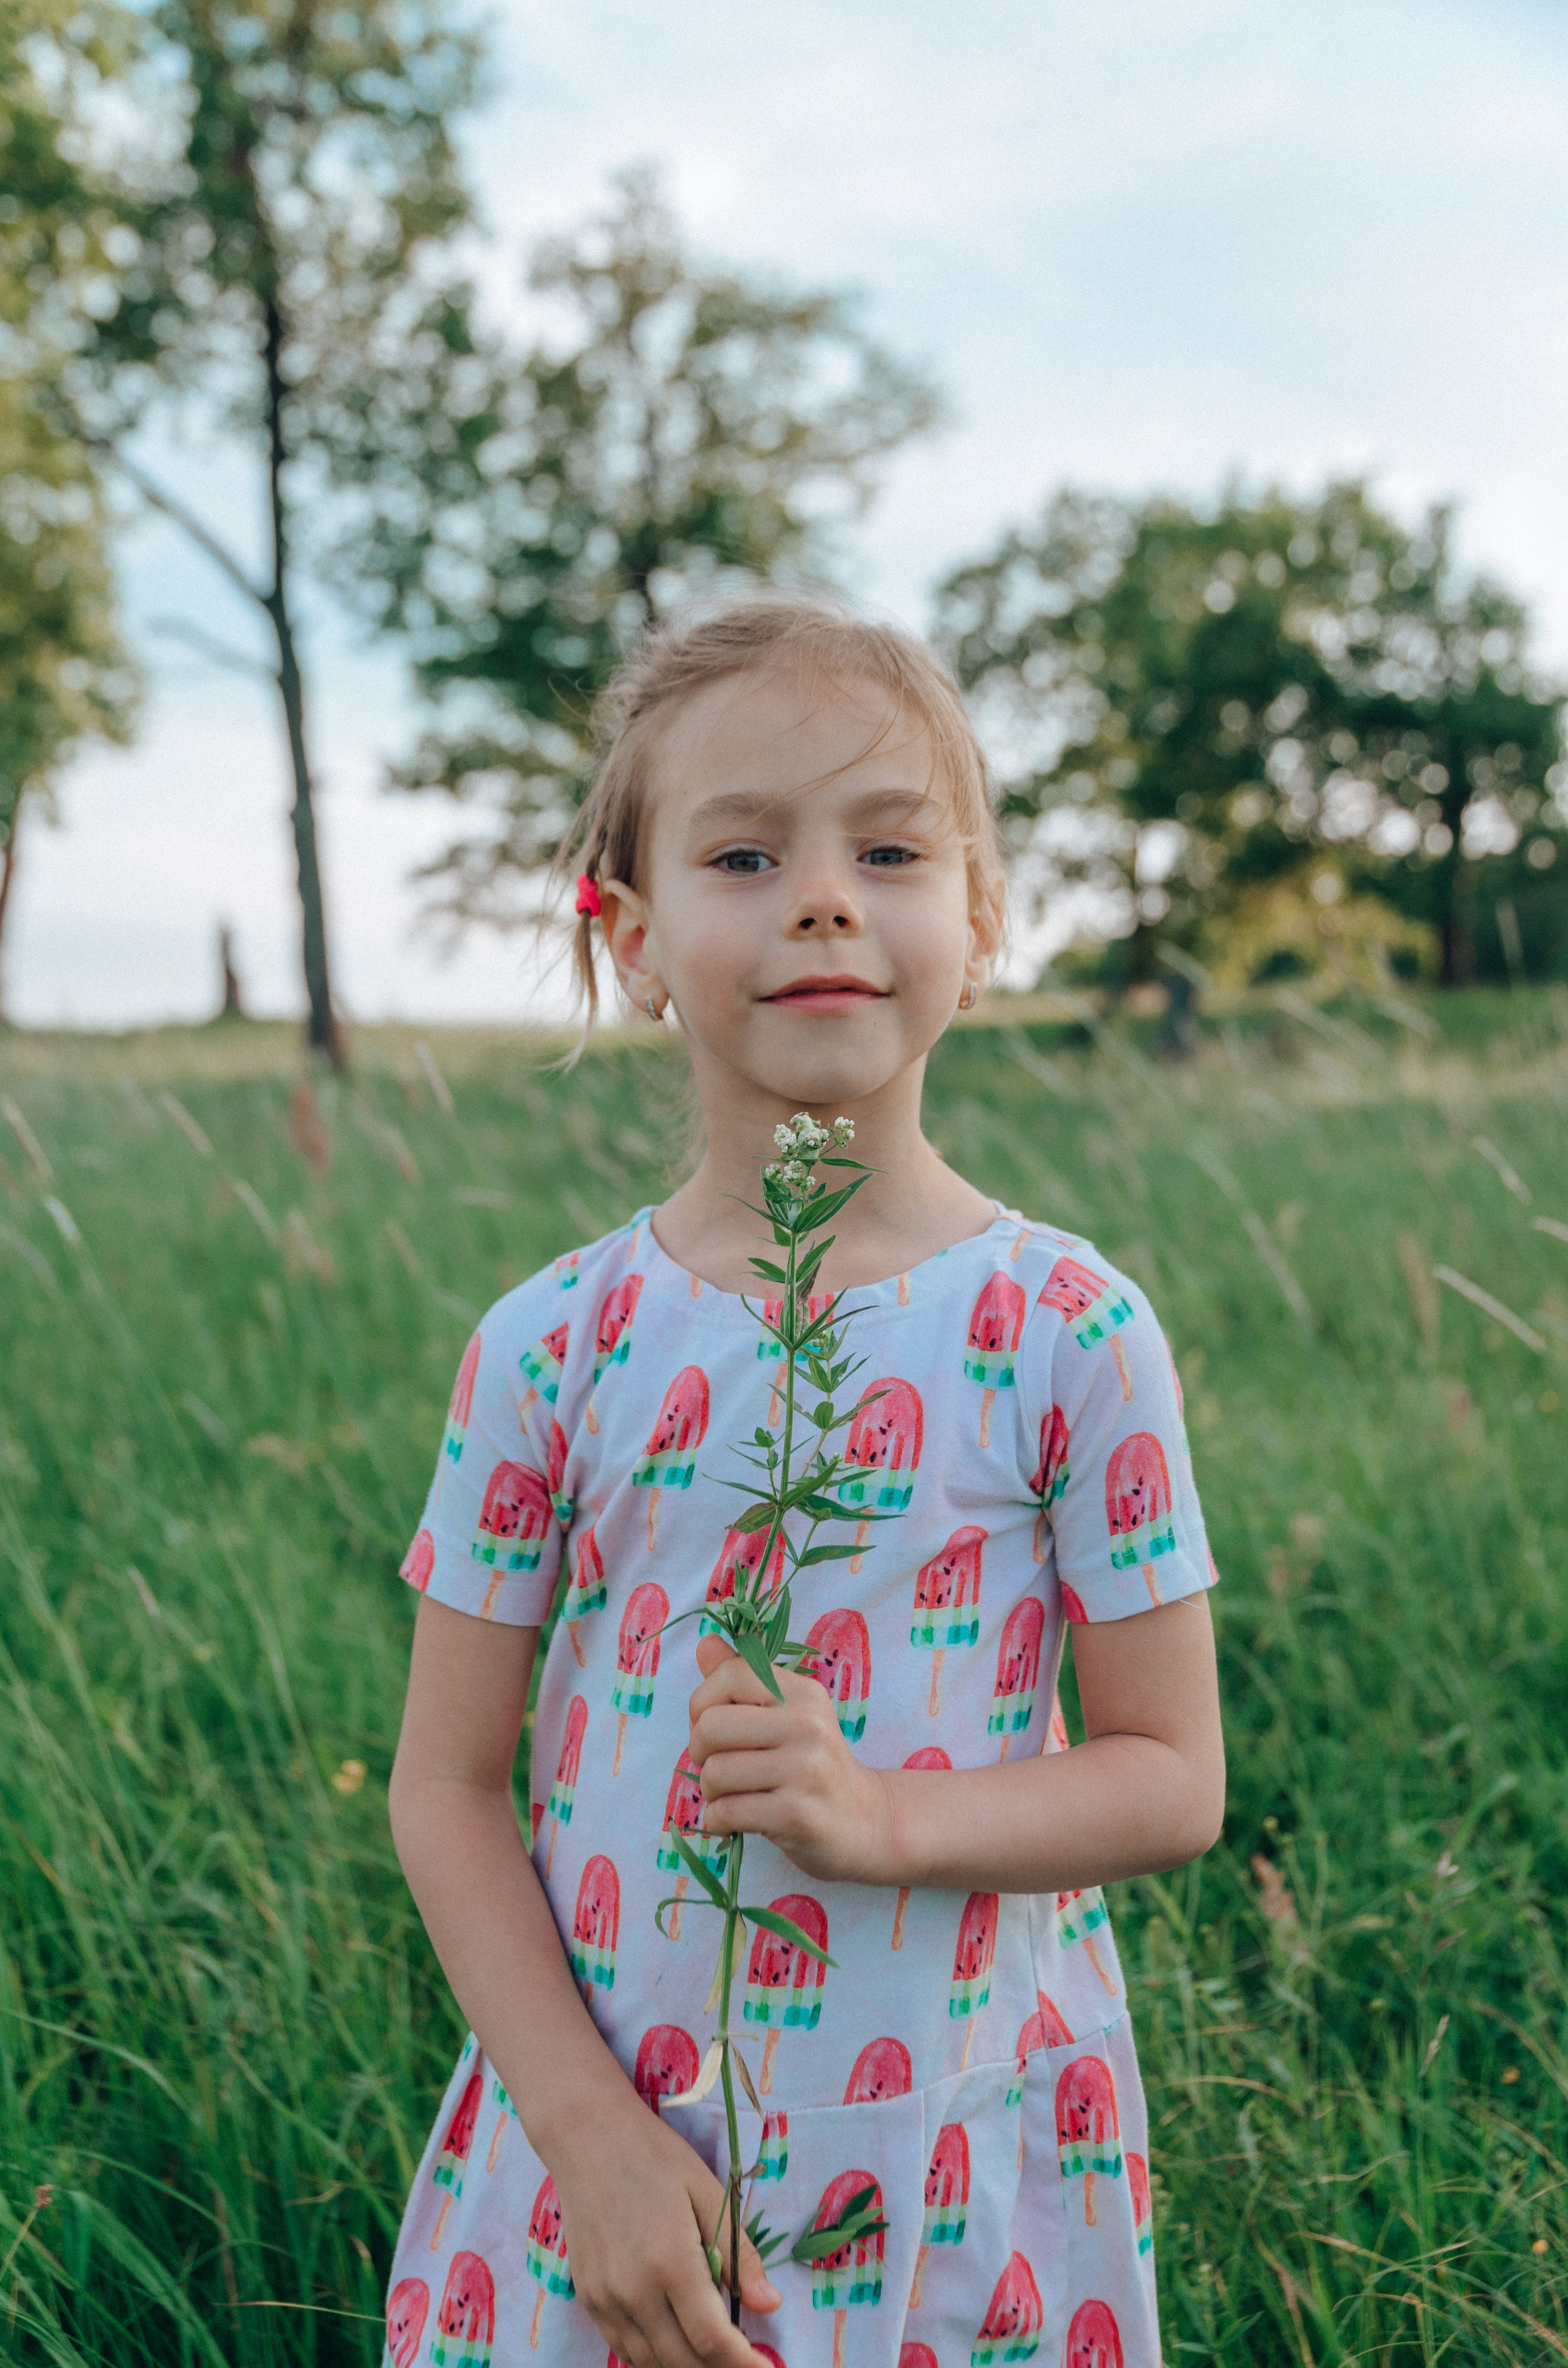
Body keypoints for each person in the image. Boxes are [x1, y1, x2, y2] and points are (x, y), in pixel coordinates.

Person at [385, 596, 1225, 2368]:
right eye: (748, 852)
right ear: (629, 935)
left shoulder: (1072, 1327)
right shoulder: (548, 1346)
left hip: (960, 2158)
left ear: (980, 923)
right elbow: (449, 1791)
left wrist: (888, 1818)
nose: (827, 897)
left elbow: (1171, 1776)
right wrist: (590, 2143)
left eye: (893, 848)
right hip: (618, 2164)